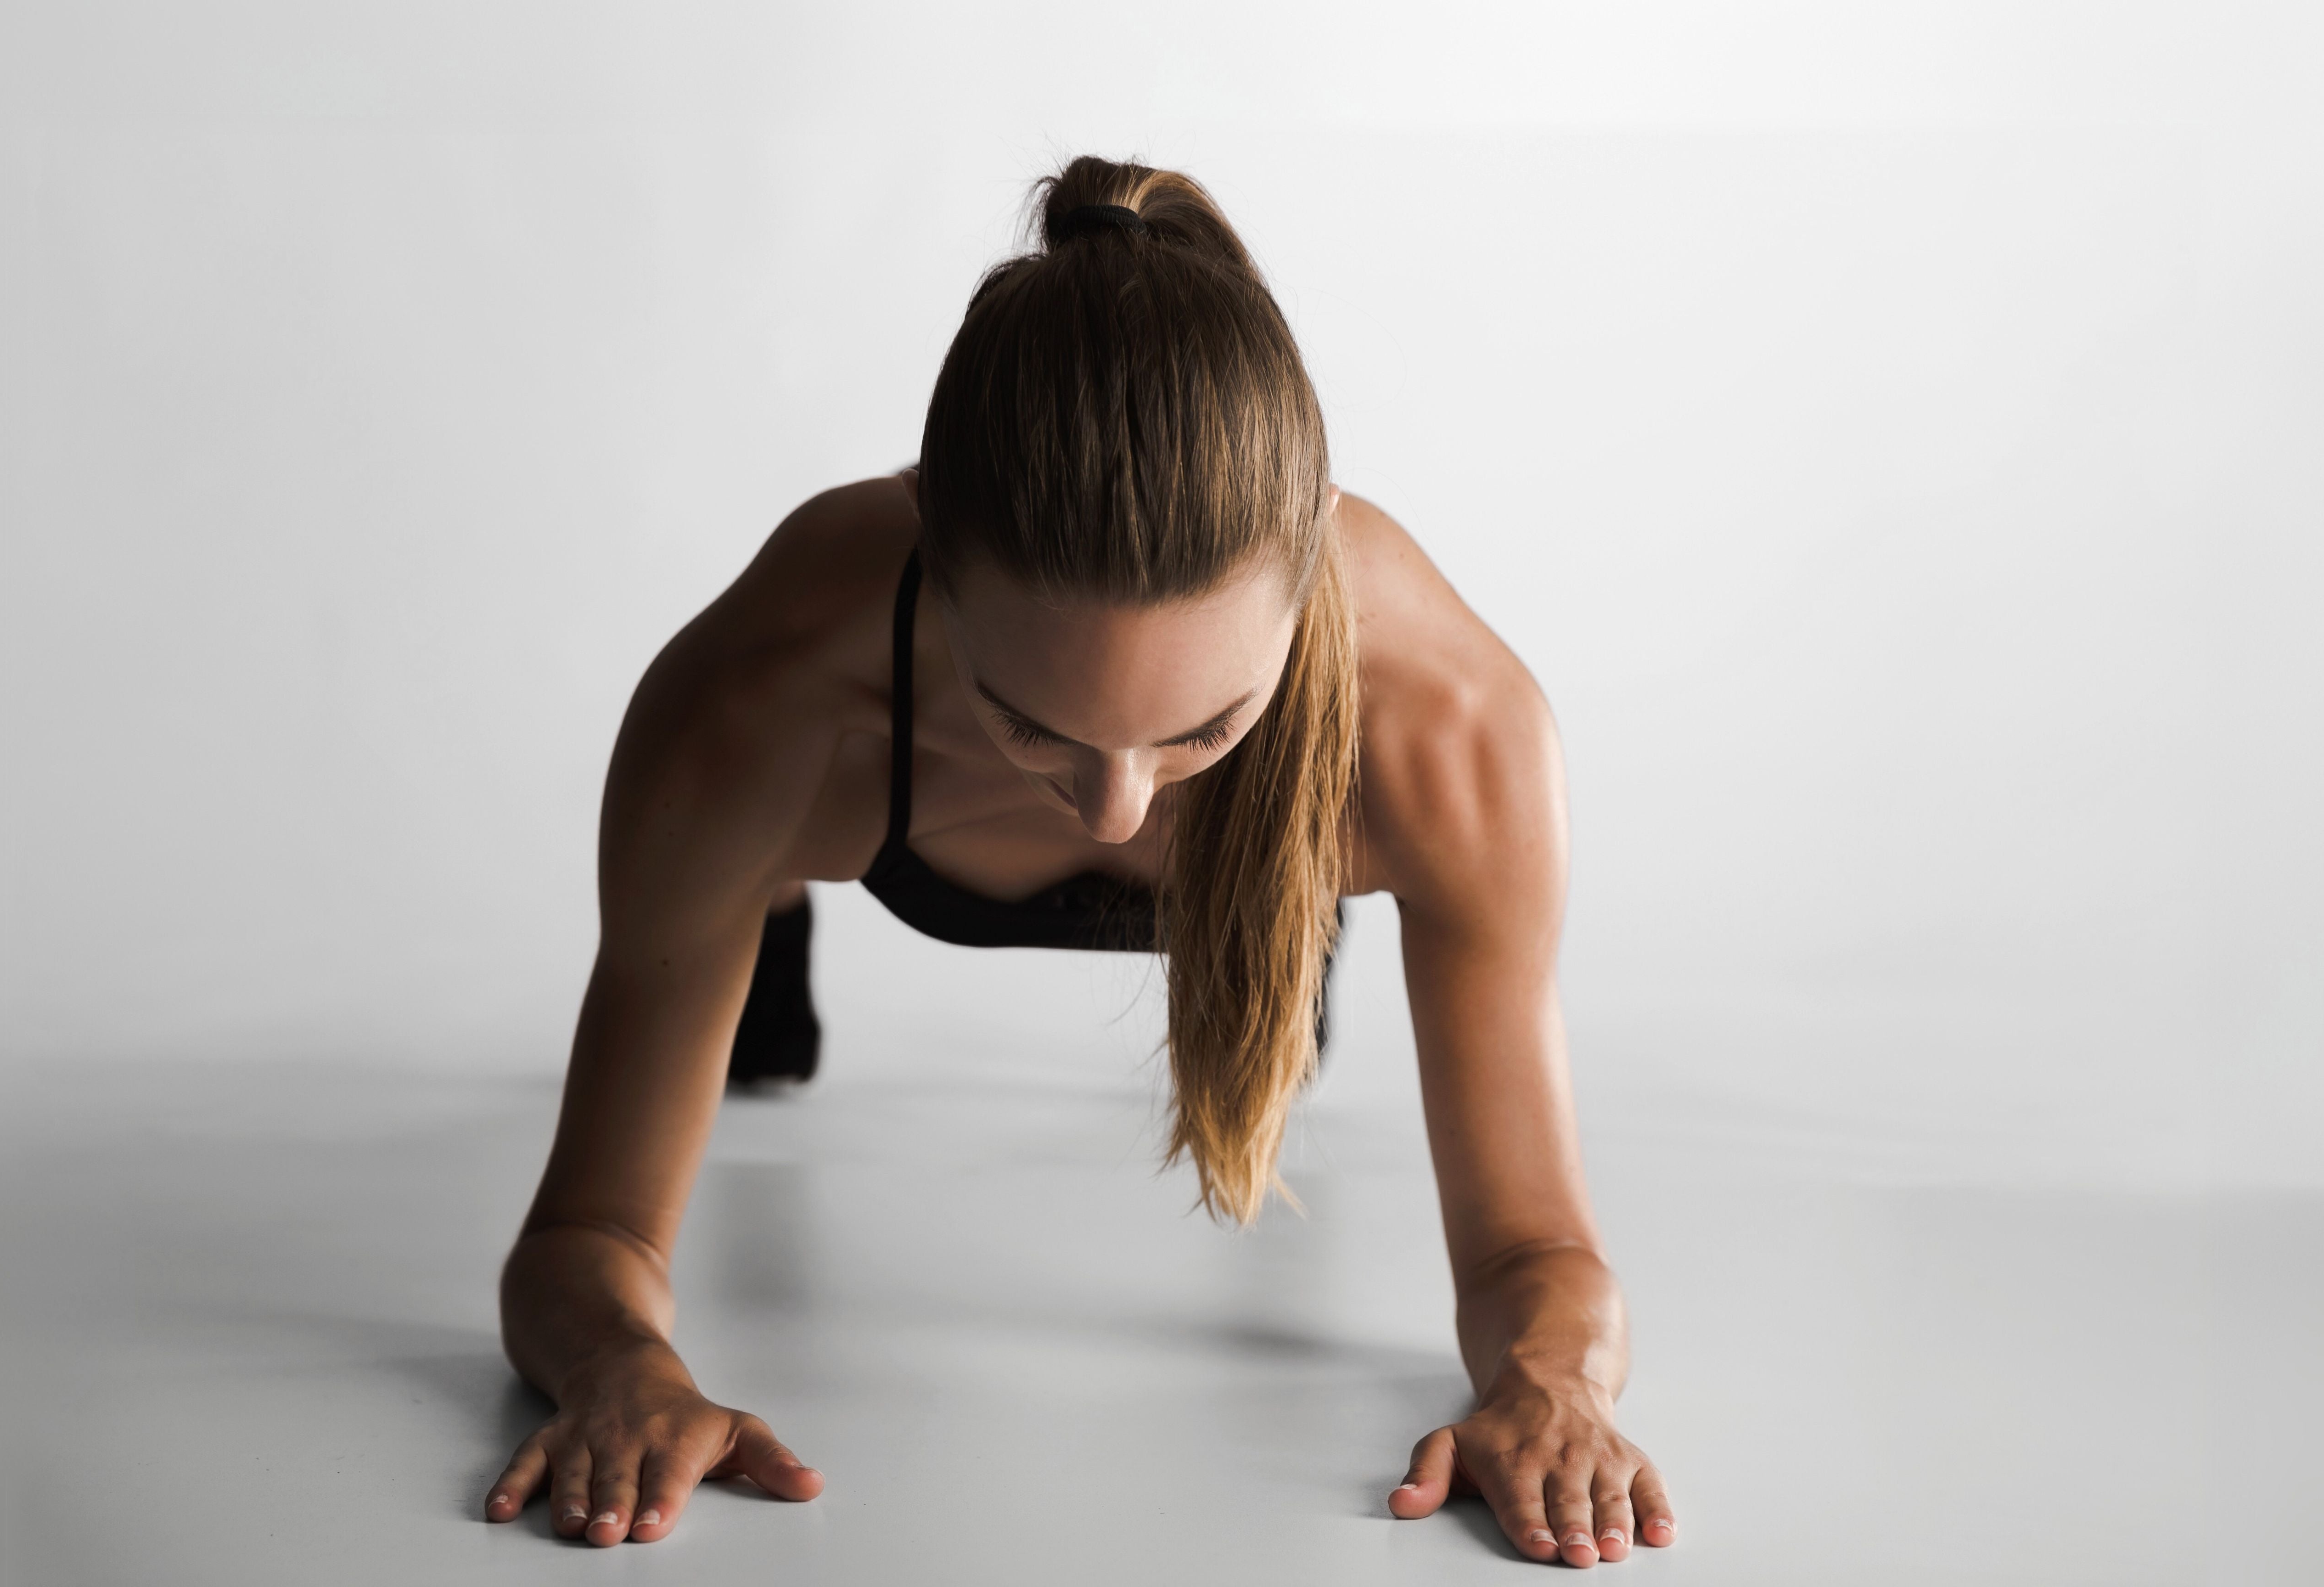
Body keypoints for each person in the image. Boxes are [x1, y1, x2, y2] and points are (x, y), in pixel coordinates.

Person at [482, 155, 1675, 1570]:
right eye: (1029, 722)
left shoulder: (1454, 736)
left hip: (1297, 829)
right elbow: (586, 1232)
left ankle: (1200, 818)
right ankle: (771, 932)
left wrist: (1551, 1385)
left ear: (1300, 603)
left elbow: (1538, 1254)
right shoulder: (760, 705)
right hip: (837, 811)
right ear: (933, 565)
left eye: (1201, 726)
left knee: (1275, 973)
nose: (1115, 816)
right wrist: (621, 1361)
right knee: (744, 963)